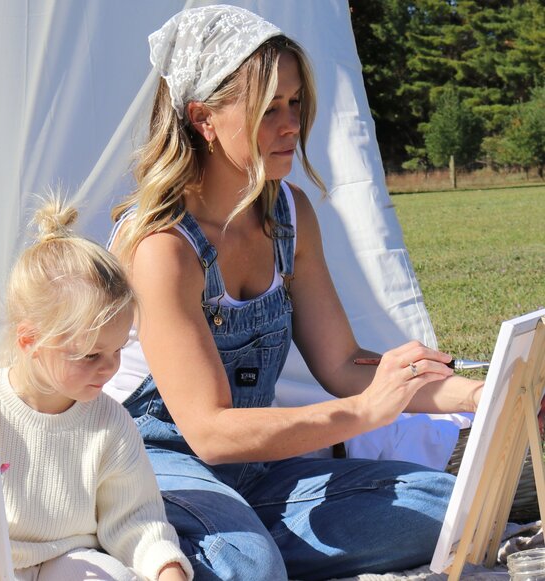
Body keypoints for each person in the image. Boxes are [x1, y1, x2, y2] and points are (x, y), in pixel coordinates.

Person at [104, 6, 484, 581]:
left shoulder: (289, 215)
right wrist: (360, 414)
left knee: (443, 504)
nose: (291, 126)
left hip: (248, 470)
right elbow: (207, 431)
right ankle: (165, 543)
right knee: (250, 566)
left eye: (296, 103)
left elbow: (344, 365)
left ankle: (233, 544)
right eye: (268, 110)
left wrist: (479, 395)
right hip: (154, 469)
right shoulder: (161, 246)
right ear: (203, 118)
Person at [0, 197, 193, 581]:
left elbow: (135, 520)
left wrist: (166, 568)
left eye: (118, 350)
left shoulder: (109, 420)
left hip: (70, 560)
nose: (110, 366)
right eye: (88, 355)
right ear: (29, 340)